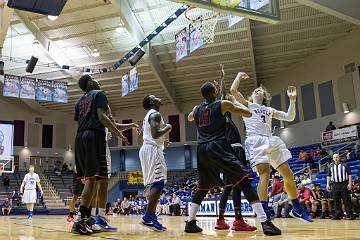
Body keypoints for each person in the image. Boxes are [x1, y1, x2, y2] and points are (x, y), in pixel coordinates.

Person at [186, 82, 281, 236]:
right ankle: (265, 222)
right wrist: (245, 107)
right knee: (243, 181)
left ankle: (190, 222)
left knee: (203, 187)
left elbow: (190, 117)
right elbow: (247, 113)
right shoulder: (222, 104)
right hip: (218, 146)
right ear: (214, 92)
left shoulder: (197, 109)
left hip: (202, 149)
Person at [230, 72, 313, 222]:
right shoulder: (247, 105)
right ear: (251, 96)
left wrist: (292, 100)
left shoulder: (269, 110)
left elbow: (289, 117)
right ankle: (264, 214)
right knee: (264, 175)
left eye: (260, 90)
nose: (257, 91)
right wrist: (239, 76)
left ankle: (296, 209)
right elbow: (233, 91)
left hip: (270, 140)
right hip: (256, 141)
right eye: (255, 90)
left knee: (288, 174)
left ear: (265, 96)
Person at [71, 74, 132, 235]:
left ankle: (86, 219)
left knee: (94, 180)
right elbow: (101, 117)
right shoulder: (99, 94)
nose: (99, 82)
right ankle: (80, 220)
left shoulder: (78, 101)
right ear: (91, 83)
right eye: (96, 80)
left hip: (80, 138)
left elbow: (79, 122)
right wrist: (119, 134)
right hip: (93, 138)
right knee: (92, 181)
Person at [213, 67, 257, 232]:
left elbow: (222, 96)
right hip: (234, 149)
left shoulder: (213, 113)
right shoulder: (220, 110)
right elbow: (223, 96)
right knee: (237, 185)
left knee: (230, 186)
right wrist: (223, 79)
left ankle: (225, 218)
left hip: (228, 150)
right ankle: (236, 219)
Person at [139, 94, 172, 231]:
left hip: (148, 149)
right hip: (152, 151)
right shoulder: (155, 114)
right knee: (159, 182)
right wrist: (168, 127)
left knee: (155, 183)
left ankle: (150, 216)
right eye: (155, 97)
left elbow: (142, 134)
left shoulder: (148, 115)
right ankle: (147, 217)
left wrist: (161, 142)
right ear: (152, 102)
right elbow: (155, 134)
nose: (159, 97)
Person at [327, 153, 355, 220]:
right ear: (333, 159)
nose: (335, 158)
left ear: (339, 158)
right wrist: (328, 184)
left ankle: (350, 215)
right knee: (336, 200)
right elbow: (329, 176)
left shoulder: (344, 165)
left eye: (337, 157)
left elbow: (350, 174)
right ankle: (338, 215)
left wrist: (350, 183)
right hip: (335, 184)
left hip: (344, 184)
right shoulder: (330, 166)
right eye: (334, 157)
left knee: (346, 200)